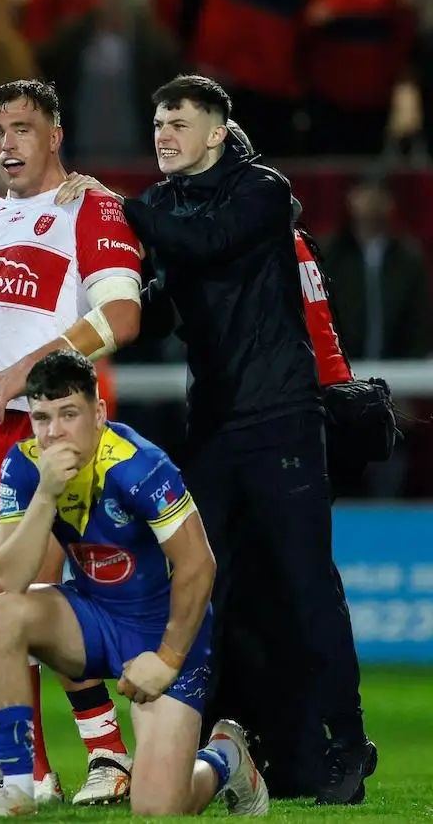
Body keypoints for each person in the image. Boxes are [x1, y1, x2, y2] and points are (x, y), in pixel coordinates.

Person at [56, 74, 373, 804]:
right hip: (216, 425)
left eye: (178, 122)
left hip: (283, 418)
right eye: (158, 122)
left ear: (217, 135)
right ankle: (218, 741)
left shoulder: (262, 190)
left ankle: (348, 743)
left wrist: (115, 208)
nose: (163, 133)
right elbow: (168, 309)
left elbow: (208, 239)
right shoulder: (166, 207)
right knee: (202, 584)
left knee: (305, 588)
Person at [0, 80, 144, 806]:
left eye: (20, 128)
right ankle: (30, 771)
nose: (5, 142)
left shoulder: (90, 206)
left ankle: (108, 757)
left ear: (54, 135)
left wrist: (27, 371)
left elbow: (122, 315)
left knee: (39, 598)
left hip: (50, 427)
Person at [0, 350, 269, 818]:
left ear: (98, 413)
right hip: (94, 619)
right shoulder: (25, 466)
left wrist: (168, 659)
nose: (53, 433)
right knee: (3, 615)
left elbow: (198, 564)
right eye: (41, 418)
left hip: (162, 636)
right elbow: (10, 577)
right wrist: (46, 495)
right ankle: (17, 788)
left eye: (68, 415)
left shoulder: (140, 465)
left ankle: (224, 758)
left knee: (156, 809)